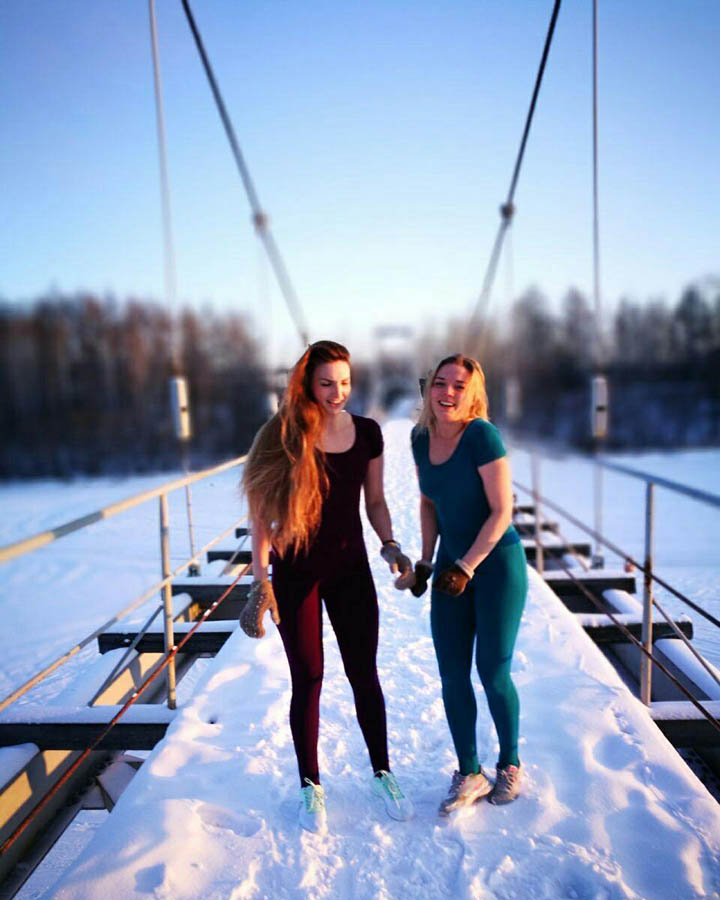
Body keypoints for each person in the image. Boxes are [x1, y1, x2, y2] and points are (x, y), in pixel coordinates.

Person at [240, 340, 414, 833]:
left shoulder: (368, 433)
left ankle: (383, 771)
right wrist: (261, 581)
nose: (337, 392)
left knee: (364, 673)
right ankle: (310, 784)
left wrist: (391, 545)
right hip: (295, 571)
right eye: (326, 383)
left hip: (351, 568)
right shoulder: (283, 436)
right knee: (309, 679)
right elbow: (259, 514)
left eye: (344, 382)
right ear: (306, 384)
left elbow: (375, 501)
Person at [402, 353, 528, 813]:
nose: (448, 393)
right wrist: (425, 561)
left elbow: (502, 511)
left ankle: (509, 763)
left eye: (459, 386)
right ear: (428, 389)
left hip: (495, 567)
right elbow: (430, 503)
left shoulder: (481, 436)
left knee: (493, 672)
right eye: (441, 383)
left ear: (472, 394)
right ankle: (469, 771)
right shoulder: (420, 439)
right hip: (452, 570)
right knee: (452, 674)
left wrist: (467, 564)